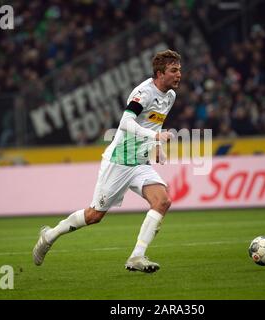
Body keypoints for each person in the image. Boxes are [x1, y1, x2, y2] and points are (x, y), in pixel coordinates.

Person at [33, 49, 182, 273]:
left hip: (141, 163)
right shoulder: (143, 92)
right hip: (119, 160)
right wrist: (155, 137)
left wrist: (157, 146)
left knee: (163, 201)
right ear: (160, 73)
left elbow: (156, 122)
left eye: (179, 70)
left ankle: (136, 257)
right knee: (94, 215)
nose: (179, 74)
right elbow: (125, 122)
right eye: (173, 70)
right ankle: (50, 235)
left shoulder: (170, 95)